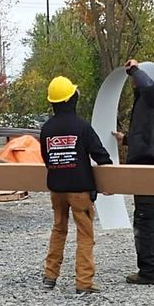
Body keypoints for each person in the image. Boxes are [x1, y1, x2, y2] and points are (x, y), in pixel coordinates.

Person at [40, 76, 112, 294]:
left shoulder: (46, 129)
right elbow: (101, 155)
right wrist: (108, 180)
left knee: (58, 230)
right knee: (85, 235)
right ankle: (84, 283)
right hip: (80, 191)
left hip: (56, 190)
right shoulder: (82, 127)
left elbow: (47, 159)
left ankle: (50, 276)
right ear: (72, 99)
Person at [112, 59, 154, 285]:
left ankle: (149, 272)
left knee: (145, 217)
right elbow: (149, 134)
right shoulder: (151, 103)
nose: (132, 83)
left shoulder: (151, 94)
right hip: (153, 162)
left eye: (134, 80)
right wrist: (125, 138)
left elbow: (147, 86)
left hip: (147, 165)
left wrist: (134, 68)